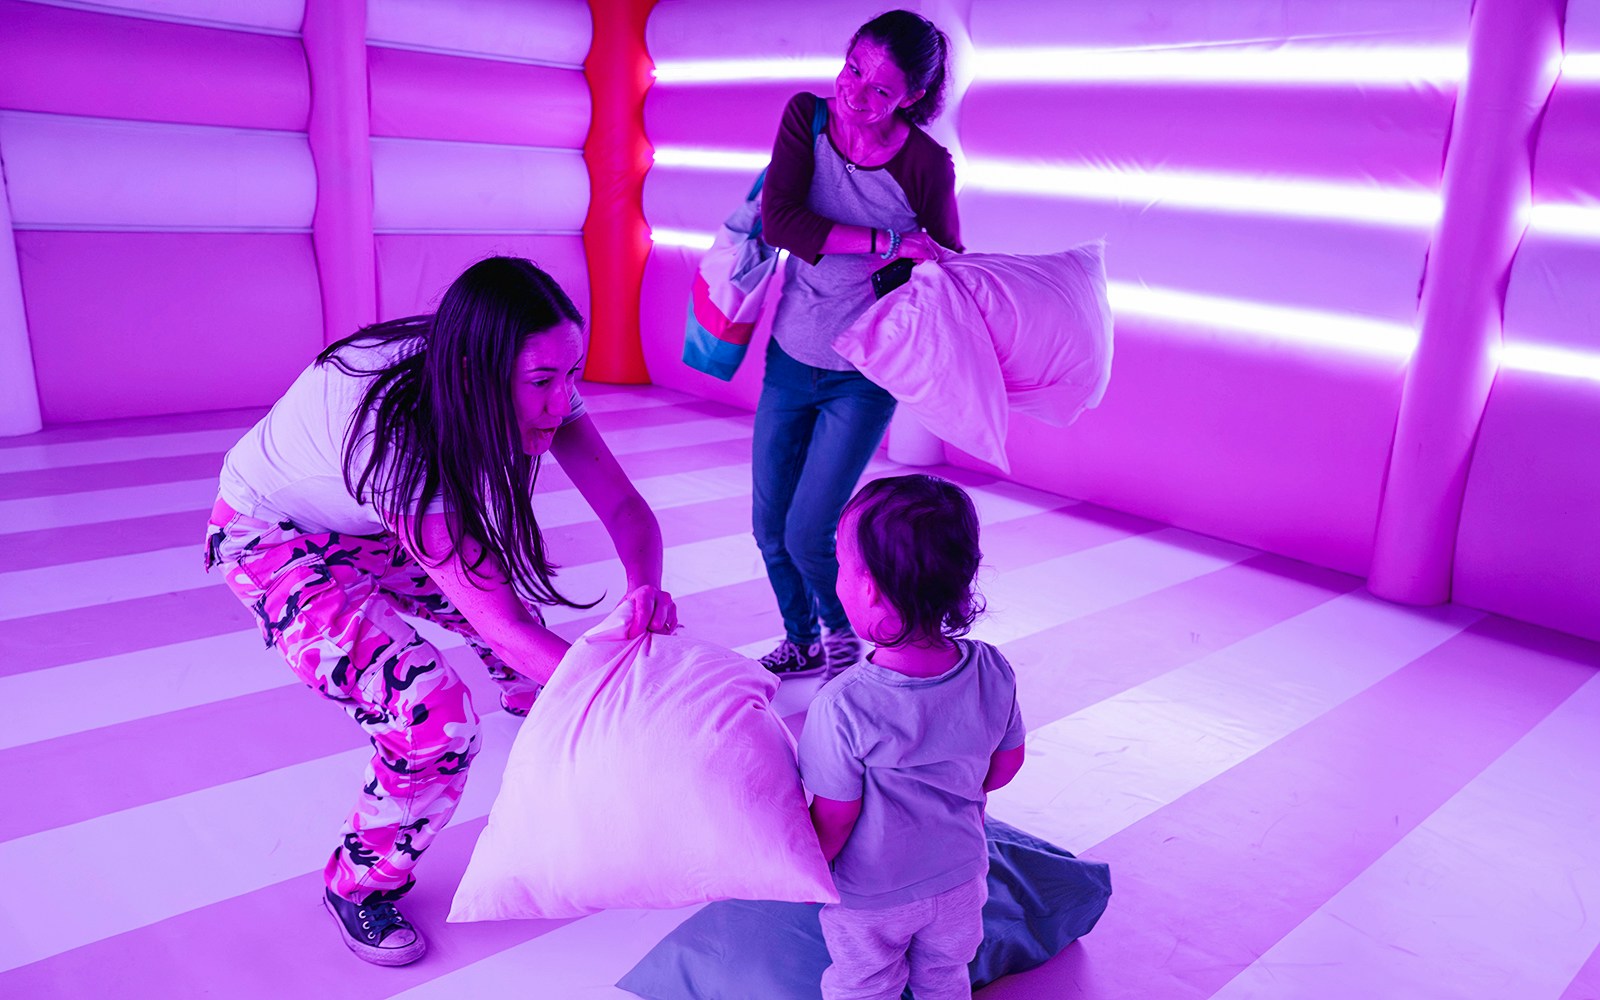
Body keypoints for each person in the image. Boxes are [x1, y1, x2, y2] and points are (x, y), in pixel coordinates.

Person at [203, 257, 676, 966]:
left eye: (572, 374)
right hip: (269, 537)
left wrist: (644, 583)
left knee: (513, 624)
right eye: (543, 382)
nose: (562, 402)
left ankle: (534, 701)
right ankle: (358, 886)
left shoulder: (523, 370)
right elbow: (503, 627)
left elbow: (625, 506)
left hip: (368, 521)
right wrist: (635, 704)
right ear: (472, 373)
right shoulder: (394, 436)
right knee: (433, 719)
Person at [755, 10, 964, 680]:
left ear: (910, 99)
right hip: (791, 355)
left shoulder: (927, 164)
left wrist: (913, 261)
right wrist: (884, 241)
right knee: (768, 526)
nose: (857, 93)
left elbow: (946, 262)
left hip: (864, 373)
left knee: (810, 530)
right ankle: (800, 638)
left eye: (881, 90)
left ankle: (846, 640)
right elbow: (781, 220)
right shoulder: (806, 119)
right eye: (854, 70)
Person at [798, 474, 1026, 1000]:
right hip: (962, 877)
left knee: (864, 984)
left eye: (839, 564)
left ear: (870, 588)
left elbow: (833, 820)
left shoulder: (842, 705)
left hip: (872, 895)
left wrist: (807, 875)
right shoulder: (992, 668)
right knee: (946, 977)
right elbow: (1006, 765)